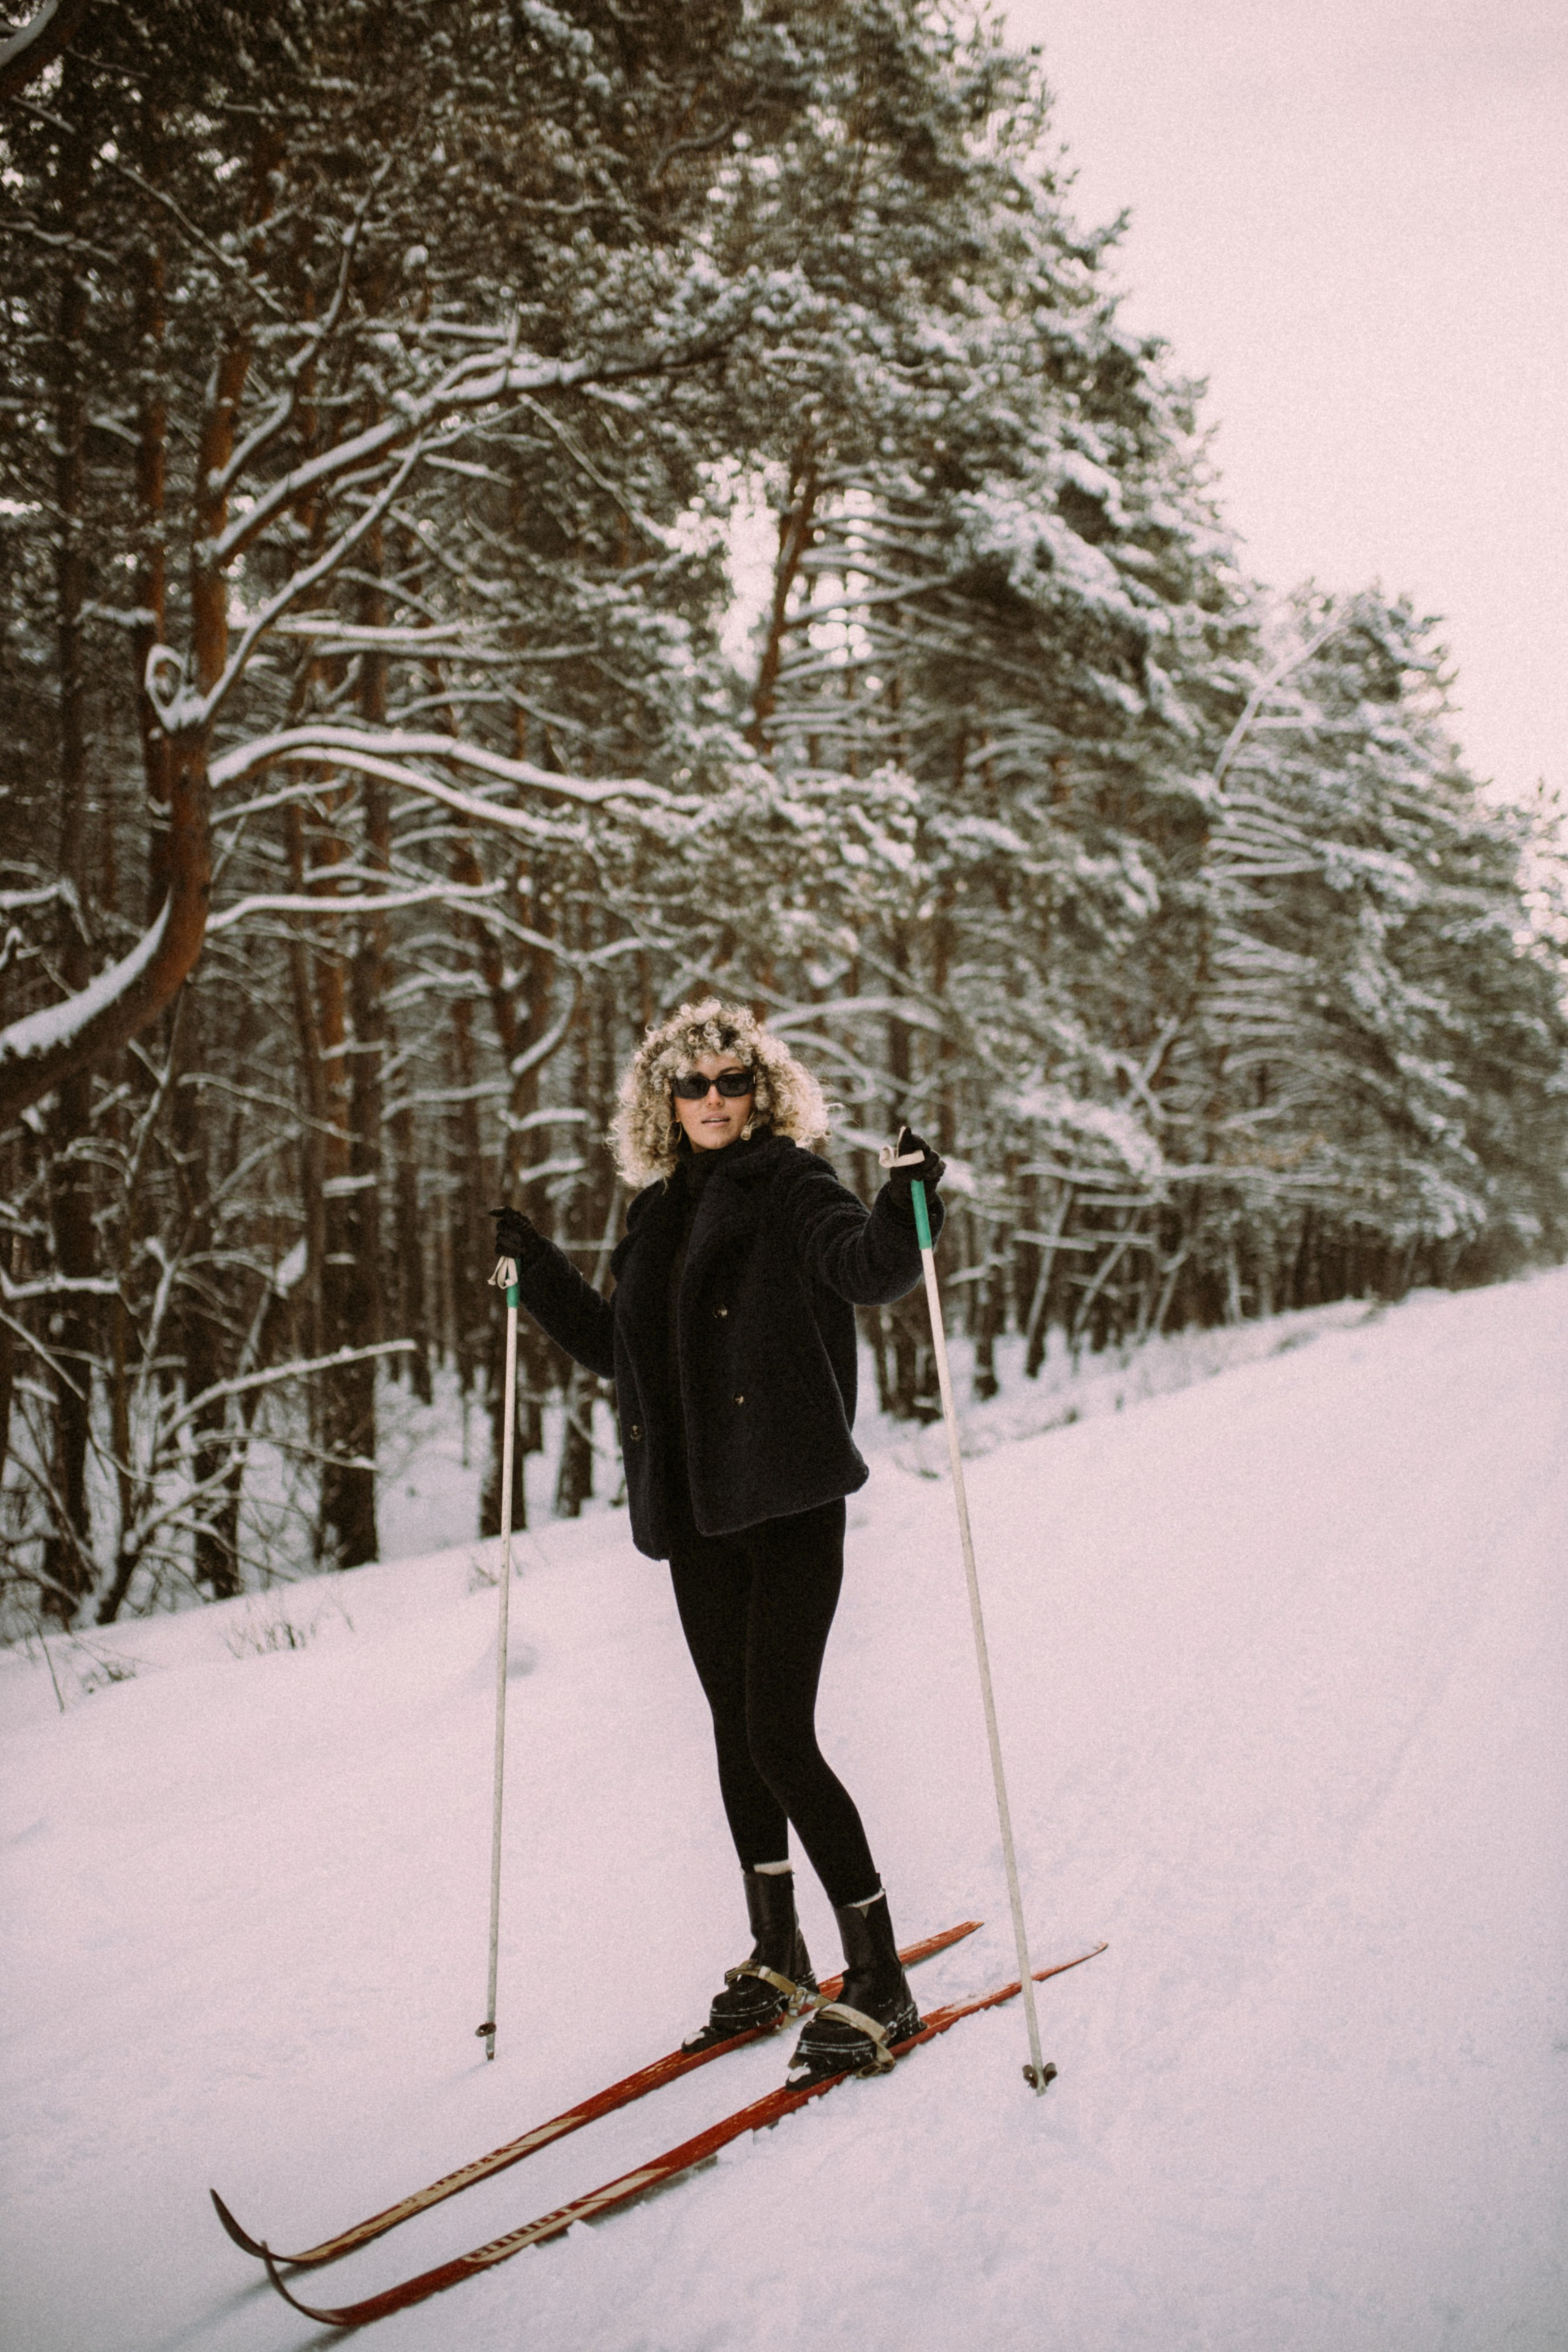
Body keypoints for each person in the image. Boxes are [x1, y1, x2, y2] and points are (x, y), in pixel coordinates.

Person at [491, 997, 945, 2081]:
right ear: (662, 1099)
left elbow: (869, 1269)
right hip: (696, 1517)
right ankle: (778, 1952)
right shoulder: (654, 1214)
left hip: (786, 1503)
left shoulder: (793, 1186)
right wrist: (540, 1270)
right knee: (735, 1738)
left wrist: (911, 1202)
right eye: (690, 1084)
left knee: (781, 1737)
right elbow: (620, 1348)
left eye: (731, 1080)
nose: (711, 1099)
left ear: (763, 1090)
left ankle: (879, 1976)